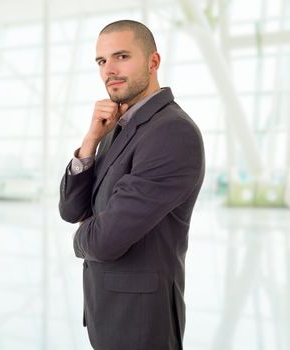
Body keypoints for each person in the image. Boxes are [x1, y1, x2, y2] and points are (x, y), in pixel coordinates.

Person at [58, 19, 205, 350]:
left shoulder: (171, 132)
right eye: (101, 61)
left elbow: (104, 241)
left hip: (141, 325)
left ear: (153, 62)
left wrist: (81, 236)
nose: (109, 69)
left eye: (121, 56)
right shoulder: (115, 127)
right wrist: (90, 142)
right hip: (108, 316)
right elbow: (71, 209)